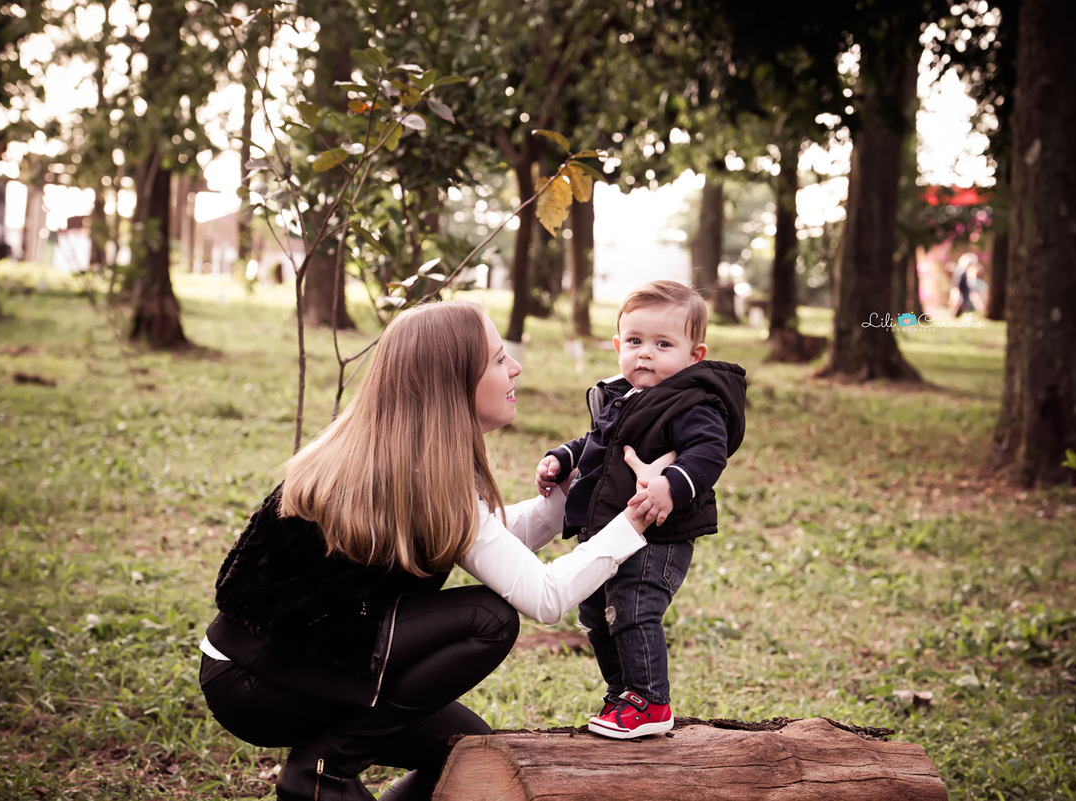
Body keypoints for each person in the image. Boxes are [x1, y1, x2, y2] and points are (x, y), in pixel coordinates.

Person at [199, 301, 672, 801]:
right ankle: (325, 766)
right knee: (488, 619)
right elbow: (546, 598)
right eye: (497, 360)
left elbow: (482, 540)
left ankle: (330, 767)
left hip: (316, 652)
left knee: (468, 753)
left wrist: (562, 501)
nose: (515, 368)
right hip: (257, 677)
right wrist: (631, 522)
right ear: (453, 385)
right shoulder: (411, 474)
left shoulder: (406, 454)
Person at [535, 280, 747, 739]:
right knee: (595, 612)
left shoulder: (693, 401)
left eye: (662, 344)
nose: (644, 354)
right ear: (617, 346)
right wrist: (563, 458)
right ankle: (623, 693)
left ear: (695, 354)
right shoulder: (621, 396)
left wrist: (673, 483)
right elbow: (597, 444)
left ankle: (651, 700)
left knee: (632, 608)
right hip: (609, 530)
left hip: (658, 534)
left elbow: (709, 452)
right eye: (634, 342)